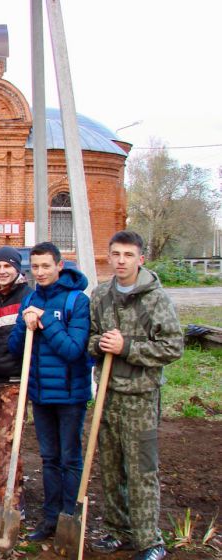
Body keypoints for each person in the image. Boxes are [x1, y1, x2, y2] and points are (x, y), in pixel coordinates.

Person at [88, 231, 183, 560]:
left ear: (140, 259)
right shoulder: (101, 296)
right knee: (111, 468)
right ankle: (118, 529)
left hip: (140, 398)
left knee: (141, 470)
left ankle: (149, 540)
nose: (121, 261)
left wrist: (126, 347)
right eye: (115, 254)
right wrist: (100, 344)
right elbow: (90, 338)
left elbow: (172, 346)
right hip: (108, 395)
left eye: (128, 255)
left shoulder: (155, 299)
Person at [8, 241, 91, 542]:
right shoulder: (30, 298)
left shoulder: (76, 301)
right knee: (48, 459)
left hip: (70, 395)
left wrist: (44, 321)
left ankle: (71, 517)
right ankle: (50, 519)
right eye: (35, 267)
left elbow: (73, 349)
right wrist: (25, 324)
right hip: (41, 394)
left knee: (69, 458)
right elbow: (16, 348)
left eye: (46, 266)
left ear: (59, 266)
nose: (40, 272)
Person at [0, 246, 33, 516]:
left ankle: (8, 502)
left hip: (15, 382)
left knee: (7, 443)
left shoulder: (28, 297)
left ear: (17, 269)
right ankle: (5, 491)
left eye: (7, 267)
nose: (2, 271)